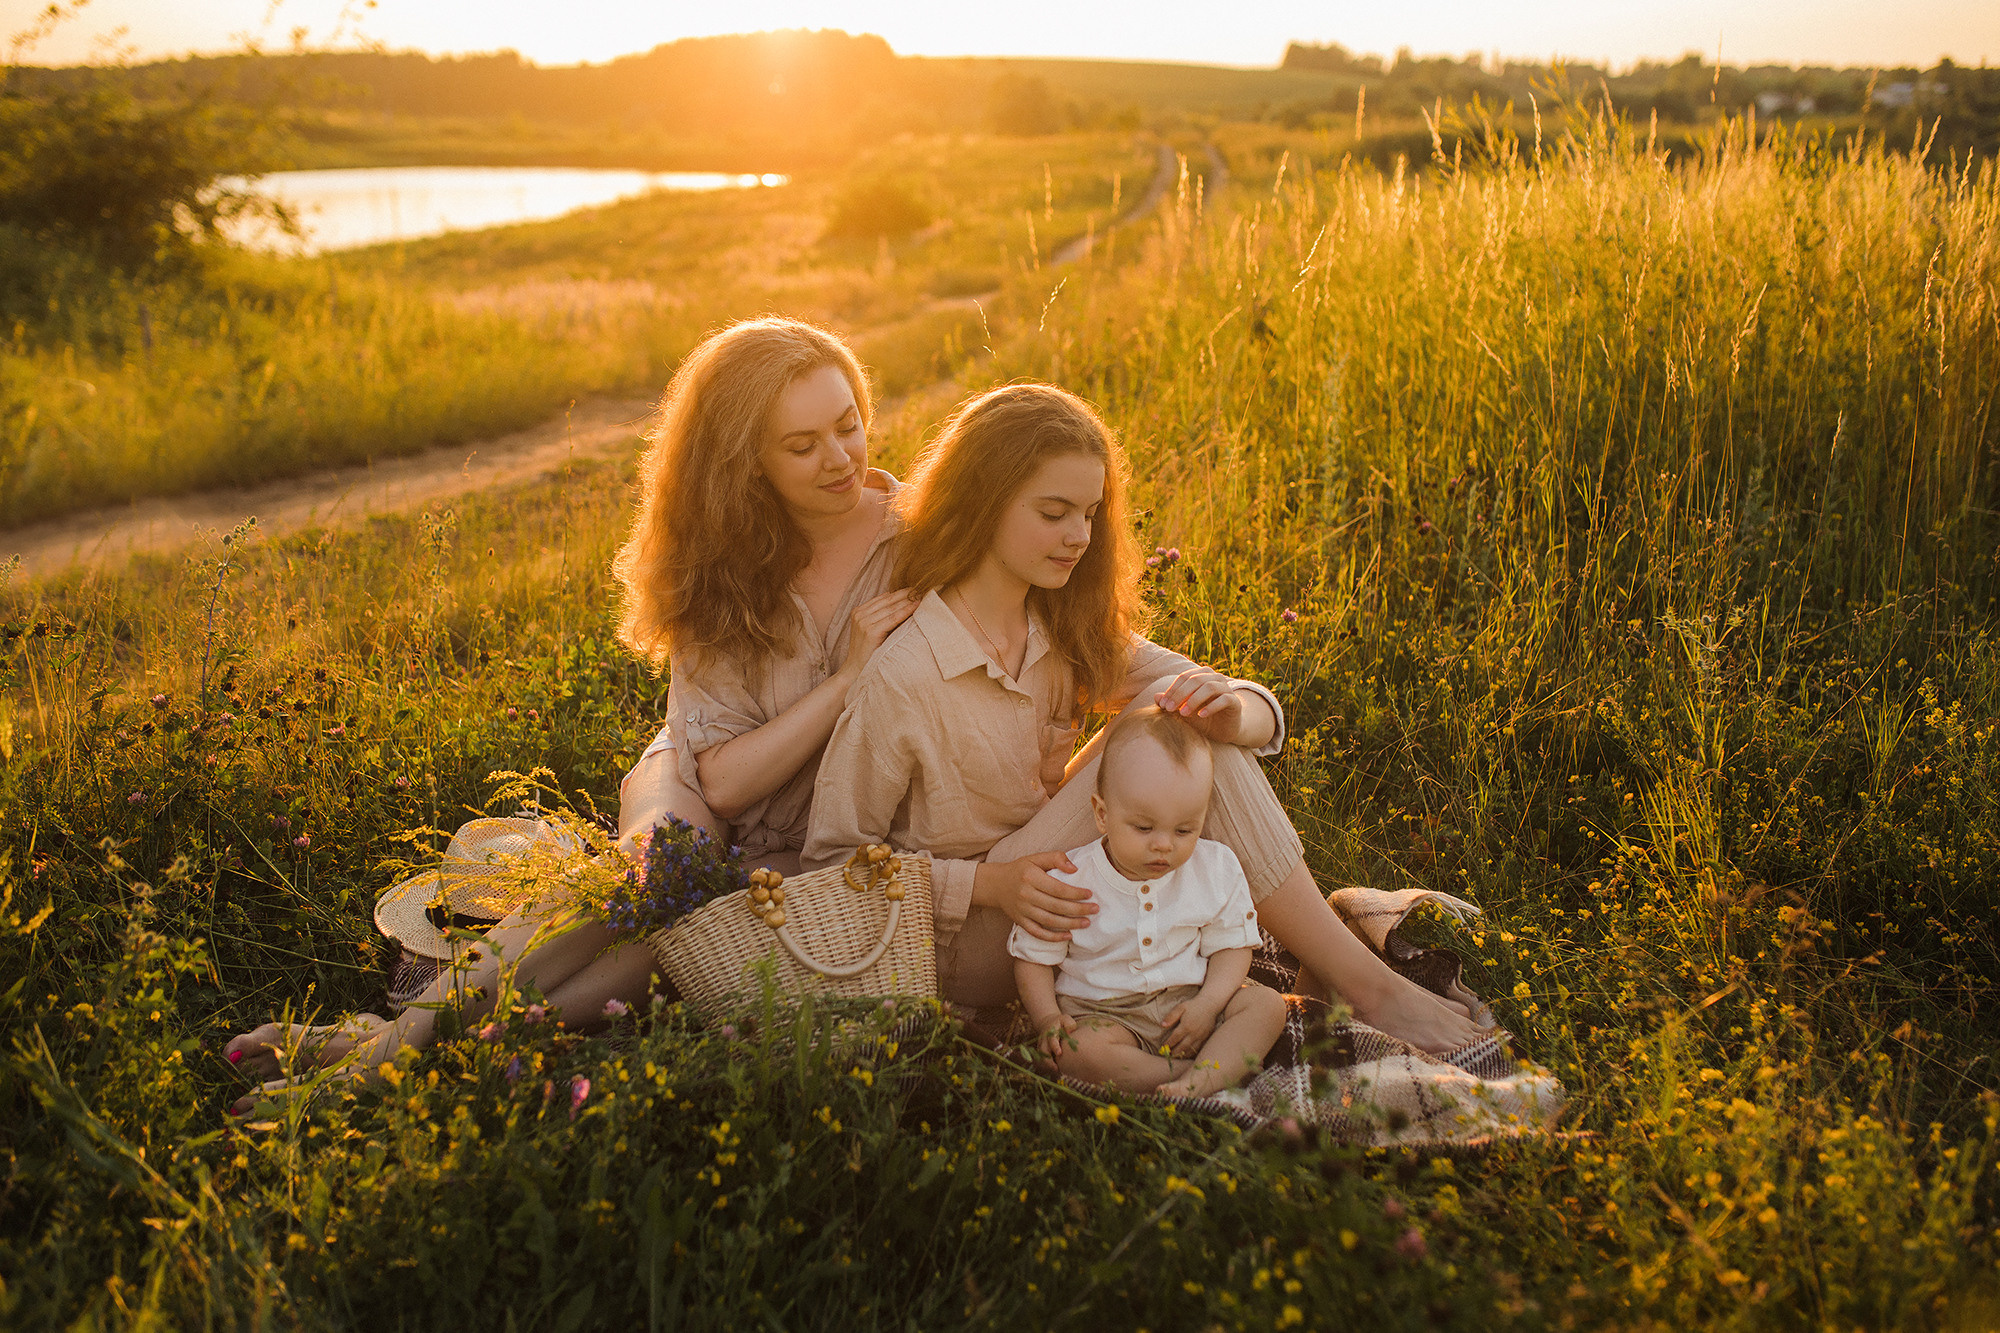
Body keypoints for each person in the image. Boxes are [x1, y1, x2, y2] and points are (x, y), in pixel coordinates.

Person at [224, 317, 917, 1107]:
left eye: (847, 424)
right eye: (801, 445)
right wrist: (846, 680)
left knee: (704, 915)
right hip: (700, 776)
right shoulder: (720, 558)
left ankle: (396, 1050)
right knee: (664, 865)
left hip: (817, 821)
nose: (840, 457)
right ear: (744, 463)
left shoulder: (916, 541)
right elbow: (720, 782)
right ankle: (394, 1054)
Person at [803, 382, 1485, 1054]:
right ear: (984, 504)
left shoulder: (1052, 622)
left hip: (1069, 895)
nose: (1079, 536)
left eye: (1090, 513)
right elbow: (831, 867)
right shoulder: (906, 671)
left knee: (1182, 717)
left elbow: (1205, 689)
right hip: (967, 941)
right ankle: (1366, 983)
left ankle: (1348, 975)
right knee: (1173, 724)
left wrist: (1236, 716)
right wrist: (987, 884)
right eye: (1054, 512)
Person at [1013, 705, 1288, 1098]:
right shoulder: (1071, 878)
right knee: (1077, 1052)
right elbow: (1033, 956)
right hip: (1106, 1016)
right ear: (1102, 814)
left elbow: (1232, 947)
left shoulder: (1215, 867)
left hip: (1190, 1003)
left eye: (1184, 829)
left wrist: (1209, 1005)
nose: (1163, 844)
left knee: (1266, 1005)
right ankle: (1195, 1076)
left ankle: (1197, 1080)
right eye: (1143, 827)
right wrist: (1047, 1018)